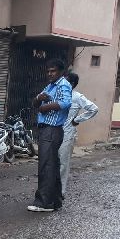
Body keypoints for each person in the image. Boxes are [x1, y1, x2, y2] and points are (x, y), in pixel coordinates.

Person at [27, 59, 72, 213]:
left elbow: (66, 103)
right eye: (48, 71)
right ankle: (55, 201)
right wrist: (39, 100)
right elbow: (34, 103)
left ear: (61, 72)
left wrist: (45, 107)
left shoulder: (63, 84)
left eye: (53, 71)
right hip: (47, 129)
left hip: (52, 129)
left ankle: (43, 203)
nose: (50, 74)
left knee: (46, 167)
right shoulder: (50, 86)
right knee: (52, 166)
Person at [60, 72, 98, 197]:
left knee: (63, 164)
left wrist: (77, 120)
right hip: (54, 133)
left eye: (65, 82)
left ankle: (60, 192)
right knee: (51, 163)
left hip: (67, 134)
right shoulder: (57, 95)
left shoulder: (76, 97)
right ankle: (50, 190)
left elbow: (93, 108)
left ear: (72, 84)